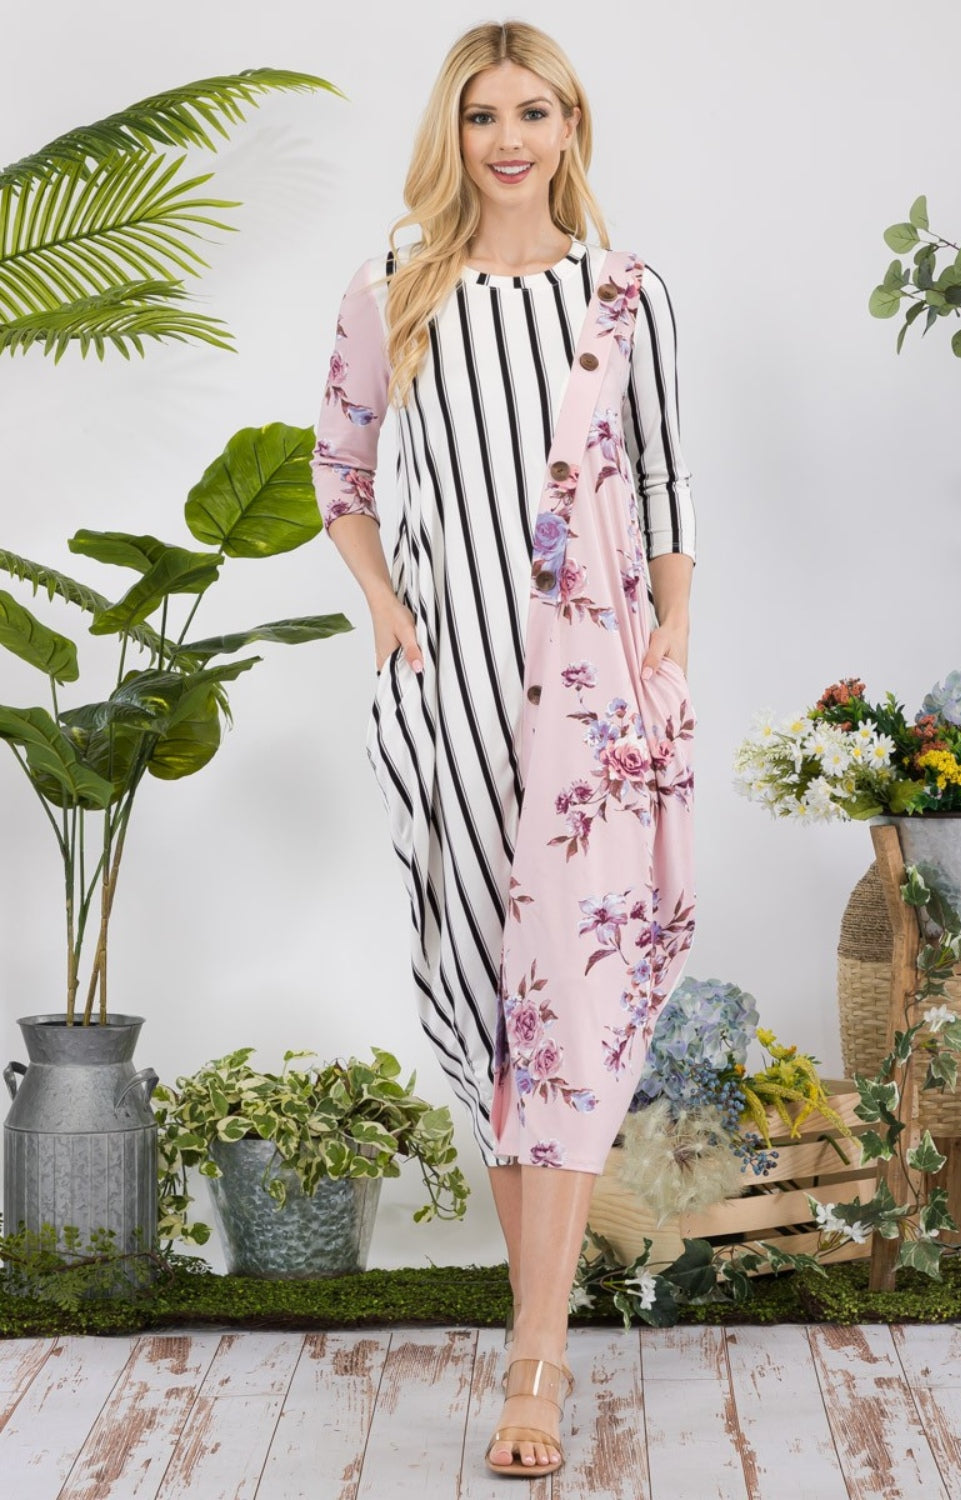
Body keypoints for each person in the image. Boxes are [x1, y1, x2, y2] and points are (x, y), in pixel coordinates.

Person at [310, 18, 697, 1478]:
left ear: (572, 124)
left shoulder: (625, 295)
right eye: (485, 114)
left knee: (573, 1011)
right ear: (454, 133)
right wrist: (391, 615)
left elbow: (665, 479)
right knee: (492, 1009)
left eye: (536, 109)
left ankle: (534, 1358)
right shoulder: (394, 286)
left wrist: (672, 646)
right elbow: (339, 467)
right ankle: (534, 1322)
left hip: (593, 698)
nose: (511, 137)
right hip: (454, 689)